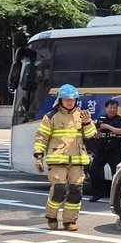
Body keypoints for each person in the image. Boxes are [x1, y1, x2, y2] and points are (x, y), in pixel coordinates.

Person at [34, 83, 97, 230]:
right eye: (66, 99)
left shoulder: (82, 116)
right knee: (59, 190)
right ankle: (51, 216)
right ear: (60, 100)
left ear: (76, 100)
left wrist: (87, 123)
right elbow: (41, 137)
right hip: (57, 160)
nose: (70, 102)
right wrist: (38, 155)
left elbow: (90, 137)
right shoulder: (51, 117)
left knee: (76, 192)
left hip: (78, 160)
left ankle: (69, 221)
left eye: (73, 99)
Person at [88, 98, 121, 201]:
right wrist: (96, 134)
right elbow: (94, 130)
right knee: (93, 171)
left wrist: (107, 126)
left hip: (114, 151)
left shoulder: (120, 119)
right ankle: (99, 192)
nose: (113, 110)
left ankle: (116, 196)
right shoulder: (101, 118)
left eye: (115, 108)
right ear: (106, 108)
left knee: (116, 174)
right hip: (101, 150)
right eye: (111, 108)